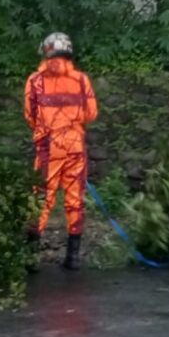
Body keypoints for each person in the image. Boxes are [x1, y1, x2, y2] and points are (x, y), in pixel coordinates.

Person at [24, 32, 100, 270]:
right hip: (75, 145)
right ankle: (73, 257)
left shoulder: (35, 80)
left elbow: (29, 114)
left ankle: (30, 257)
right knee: (75, 199)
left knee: (42, 198)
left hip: (49, 146)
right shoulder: (81, 80)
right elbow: (92, 113)